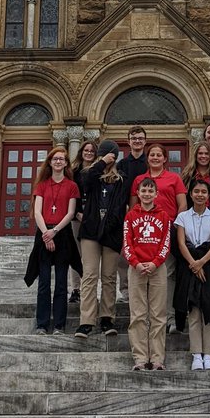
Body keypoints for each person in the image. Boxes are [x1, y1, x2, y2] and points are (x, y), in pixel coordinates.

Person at [130, 142, 187, 329]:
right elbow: (133, 207)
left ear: (164, 158)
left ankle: (168, 317)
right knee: (143, 275)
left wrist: (176, 226)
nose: (155, 157)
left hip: (167, 229)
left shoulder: (174, 178)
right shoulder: (139, 180)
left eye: (158, 155)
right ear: (148, 158)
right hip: (142, 233)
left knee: (167, 274)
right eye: (152, 155)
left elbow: (183, 205)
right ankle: (144, 317)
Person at [23, 146, 80, 335]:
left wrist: (54, 231)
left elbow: (71, 212)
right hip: (43, 232)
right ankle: (42, 324)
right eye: (55, 159)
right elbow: (37, 211)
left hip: (62, 233)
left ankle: (59, 325)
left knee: (62, 284)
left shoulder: (72, 186)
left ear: (66, 163)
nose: (58, 162)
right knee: (44, 283)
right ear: (49, 162)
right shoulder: (42, 185)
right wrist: (46, 233)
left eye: (61, 159)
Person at [74, 139, 126, 340]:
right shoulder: (91, 174)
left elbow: (120, 206)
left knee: (109, 276)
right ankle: (86, 321)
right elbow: (85, 184)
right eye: (106, 155)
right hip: (90, 231)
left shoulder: (121, 179)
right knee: (89, 275)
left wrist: (109, 225)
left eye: (112, 156)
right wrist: (102, 162)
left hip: (111, 231)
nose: (109, 159)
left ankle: (107, 318)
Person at [175, 178, 210, 371]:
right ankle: (196, 354)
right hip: (189, 265)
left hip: (209, 265)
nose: (199, 195)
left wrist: (201, 262)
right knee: (194, 310)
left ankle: (209, 354)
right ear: (190, 194)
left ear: (208, 195)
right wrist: (193, 263)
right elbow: (181, 243)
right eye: (196, 191)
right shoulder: (182, 217)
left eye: (203, 192)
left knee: (209, 310)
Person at [123, 177, 171, 370]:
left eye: (151, 191)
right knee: (138, 315)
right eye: (144, 191)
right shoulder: (130, 216)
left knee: (158, 315)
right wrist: (135, 263)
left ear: (156, 194)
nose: (147, 194)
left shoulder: (164, 215)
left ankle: (157, 358)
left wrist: (155, 262)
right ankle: (140, 358)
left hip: (157, 268)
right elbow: (127, 243)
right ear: (139, 193)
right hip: (136, 269)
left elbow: (166, 243)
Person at [116, 126, 148, 301]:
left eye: (140, 138)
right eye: (134, 138)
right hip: (125, 214)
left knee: (146, 251)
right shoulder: (121, 165)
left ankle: (145, 288)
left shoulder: (149, 163)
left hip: (146, 215)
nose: (137, 141)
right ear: (128, 141)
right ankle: (126, 289)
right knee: (124, 254)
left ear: (145, 141)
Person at [69, 140, 98, 303]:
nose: (88, 153)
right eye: (86, 150)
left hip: (95, 220)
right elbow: (71, 194)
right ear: (81, 152)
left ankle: (90, 289)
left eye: (92, 151)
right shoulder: (73, 172)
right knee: (76, 254)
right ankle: (75, 289)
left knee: (91, 256)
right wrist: (77, 212)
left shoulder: (99, 171)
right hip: (78, 218)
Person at [181, 142, 210, 213]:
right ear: (195, 155)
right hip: (191, 217)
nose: (203, 156)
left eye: (207, 154)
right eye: (200, 153)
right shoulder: (187, 176)